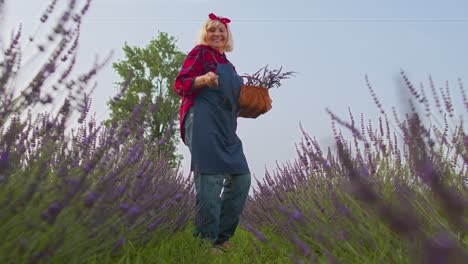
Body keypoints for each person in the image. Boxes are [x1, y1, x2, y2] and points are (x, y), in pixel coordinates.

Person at [174, 13, 251, 252]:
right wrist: (202, 79)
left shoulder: (229, 66)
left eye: (221, 30)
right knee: (210, 181)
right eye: (212, 30)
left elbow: (233, 100)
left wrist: (253, 102)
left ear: (227, 36)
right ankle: (205, 242)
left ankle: (221, 236)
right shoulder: (199, 53)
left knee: (242, 179)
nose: (217, 34)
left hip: (227, 127)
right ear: (205, 34)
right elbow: (180, 84)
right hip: (202, 121)